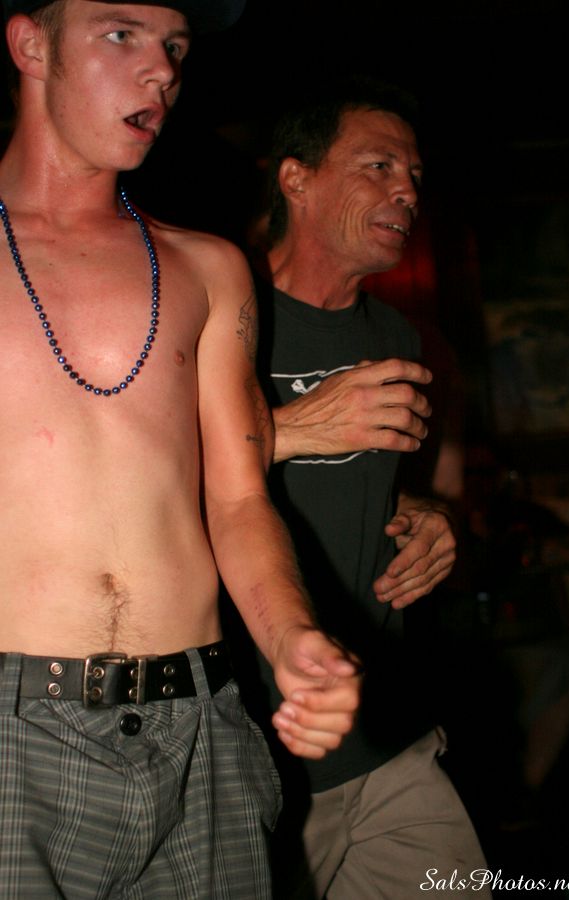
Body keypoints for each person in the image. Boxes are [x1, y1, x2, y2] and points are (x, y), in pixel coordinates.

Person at [0, 2, 361, 897]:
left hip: (202, 726)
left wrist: (293, 637)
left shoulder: (208, 267)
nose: (161, 69)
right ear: (32, 44)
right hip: (14, 738)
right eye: (120, 34)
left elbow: (239, 499)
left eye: (174, 46)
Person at [243, 78, 491, 898]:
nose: (407, 191)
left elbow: (386, 492)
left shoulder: (399, 337)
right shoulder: (219, 311)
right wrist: (290, 428)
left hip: (387, 733)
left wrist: (429, 517)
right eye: (379, 166)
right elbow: (140, 480)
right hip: (262, 739)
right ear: (296, 178)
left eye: (414, 174)